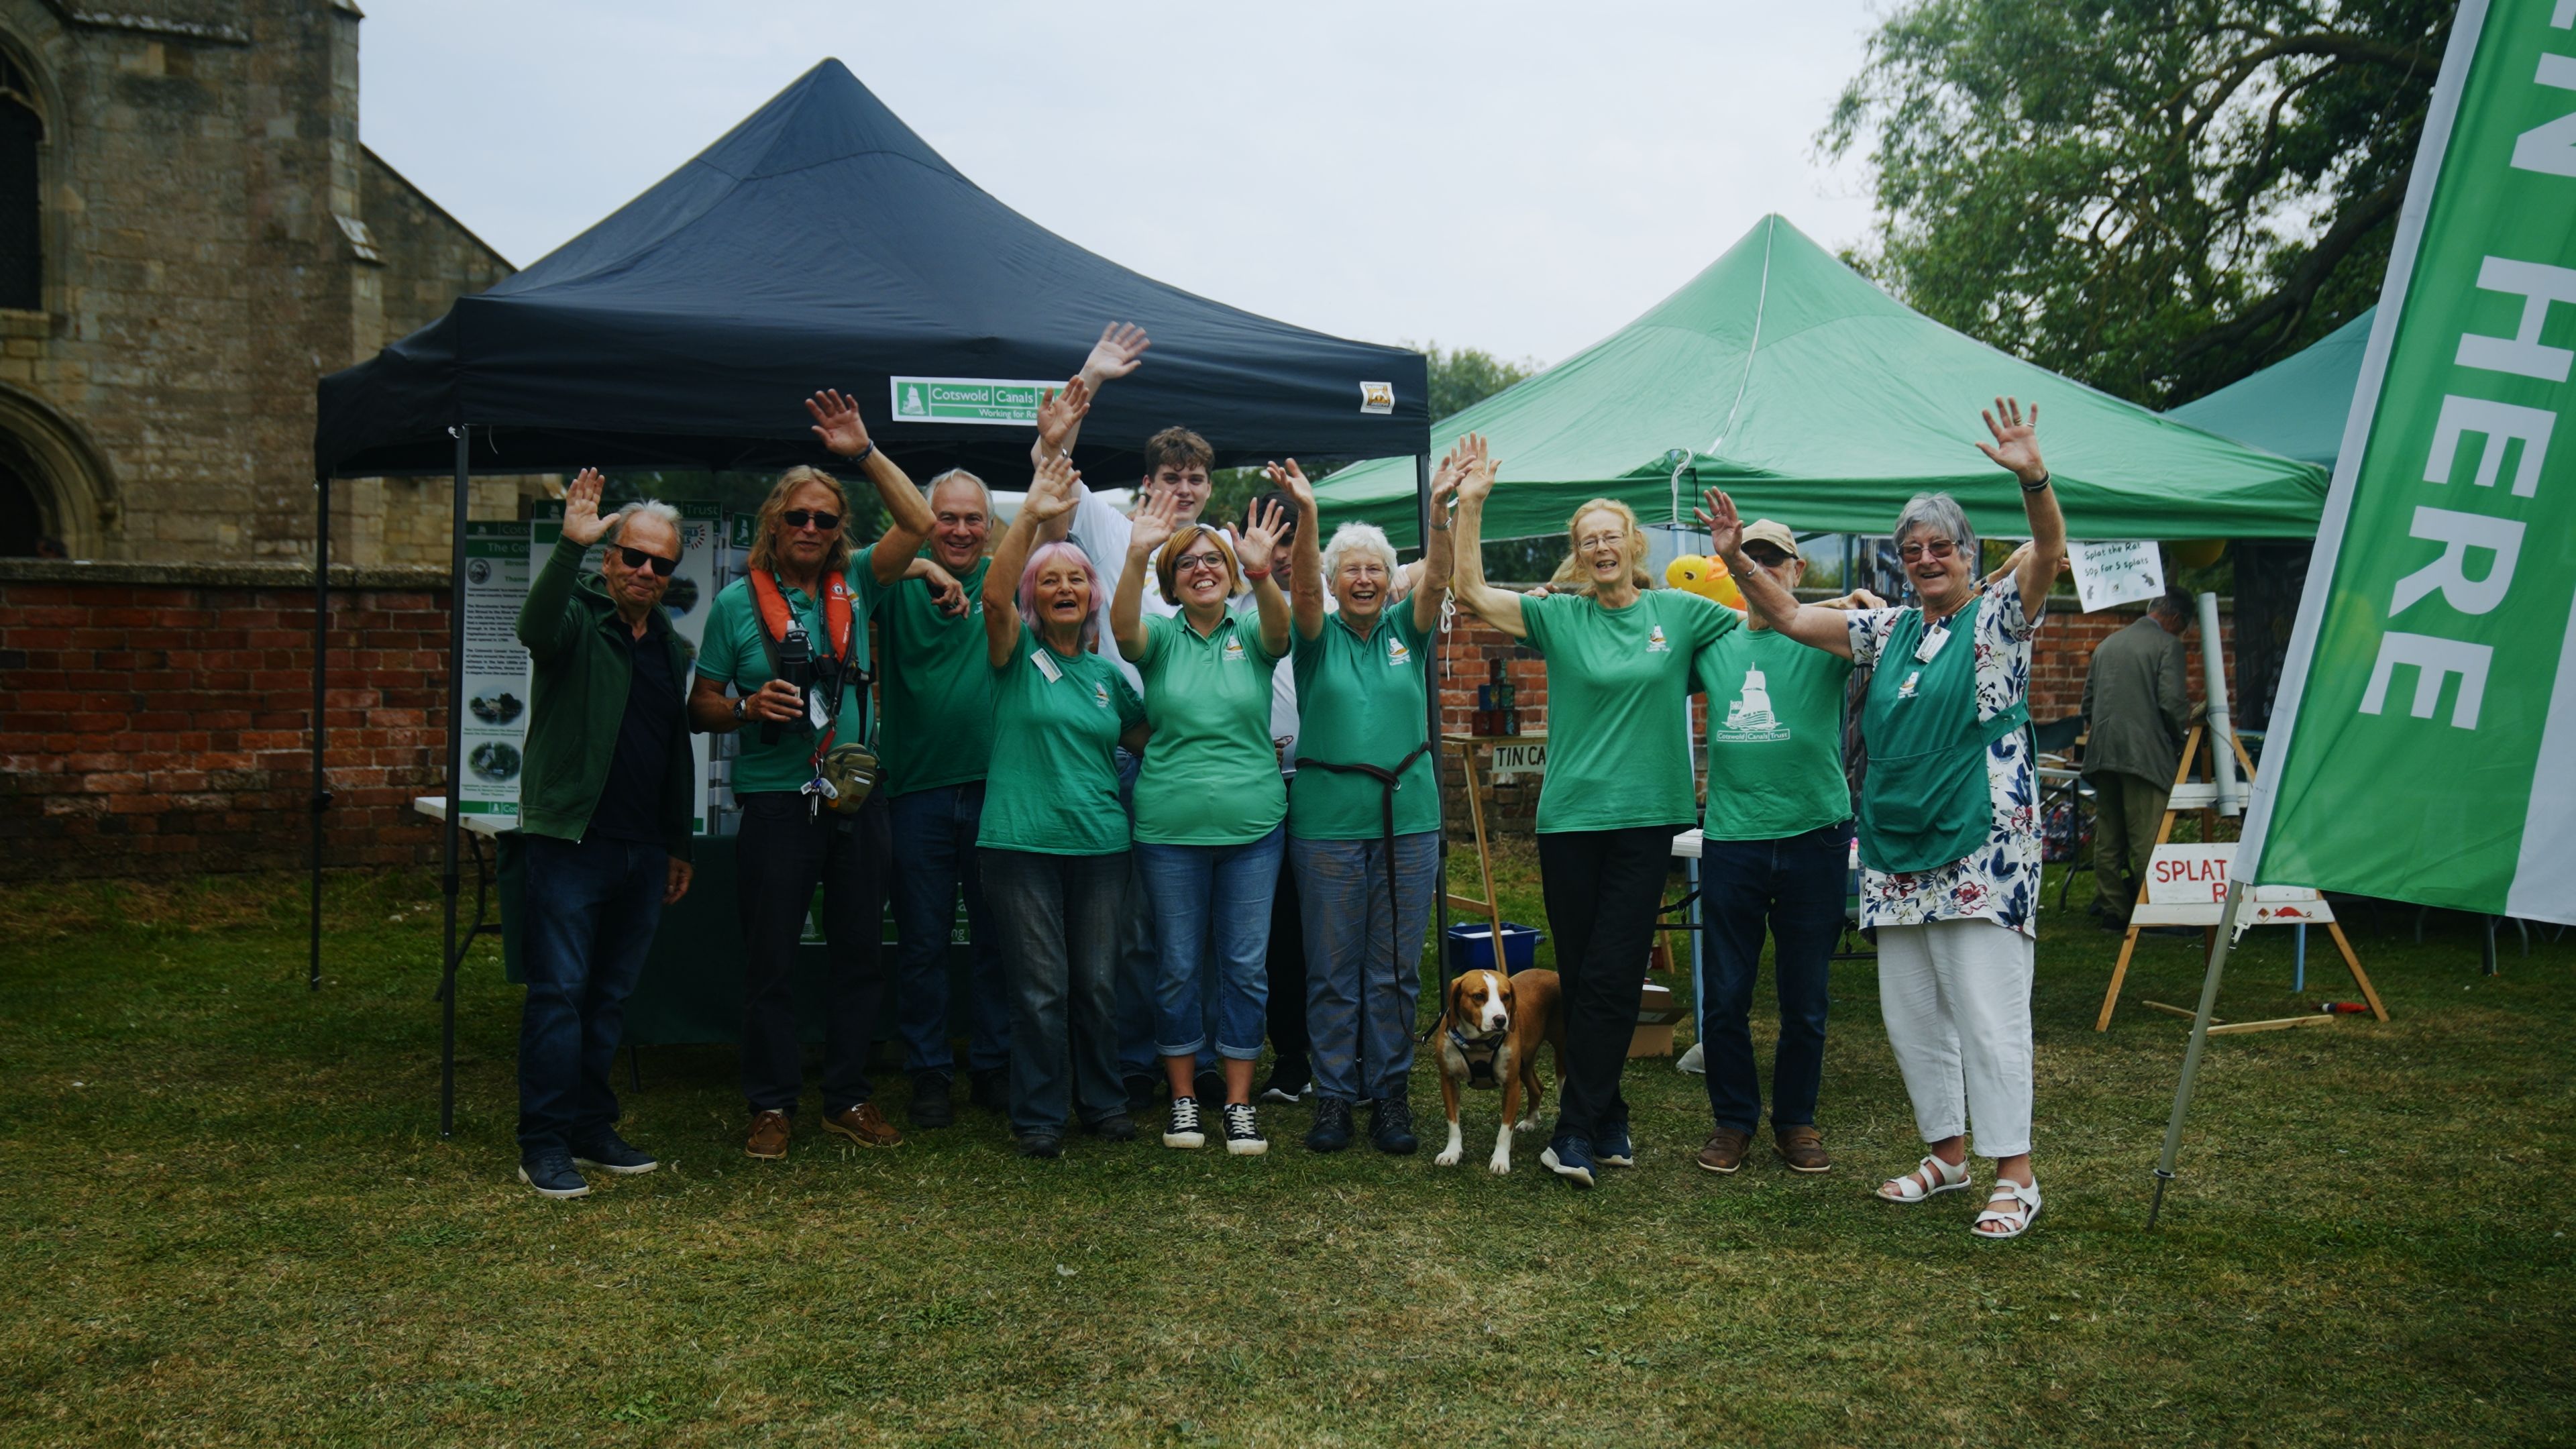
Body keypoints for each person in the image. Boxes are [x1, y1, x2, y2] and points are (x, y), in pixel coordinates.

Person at [1702, 395, 2065, 1241]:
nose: (1928, 559)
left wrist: (2033, 477)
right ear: (1899, 565)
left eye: (1942, 547)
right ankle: (1946, 1154)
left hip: (1982, 843)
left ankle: (2016, 1171)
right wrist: (1734, 561)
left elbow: (2048, 548)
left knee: (1987, 1009)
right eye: (1913, 551)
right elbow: (1792, 617)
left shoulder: (2002, 612)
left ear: (1969, 555)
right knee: (1911, 1012)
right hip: (1898, 845)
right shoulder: (1887, 628)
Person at [1447, 435, 1742, 1189]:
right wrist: (1471, 505)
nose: (1602, 548)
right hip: (1570, 820)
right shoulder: (1558, 618)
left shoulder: (1679, 612)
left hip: (1646, 820)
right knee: (1580, 978)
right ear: (1576, 556)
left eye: (1612, 537)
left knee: (1613, 973)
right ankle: (1608, 1118)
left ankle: (1573, 1130)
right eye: (1588, 542)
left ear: (1633, 545)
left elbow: (1767, 619)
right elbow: (1473, 591)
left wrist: (1852, 604)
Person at [686, 390, 934, 1162]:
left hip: (857, 796)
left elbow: (920, 524)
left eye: (825, 519)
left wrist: (861, 453)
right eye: (798, 517)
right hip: (776, 800)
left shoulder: (860, 578)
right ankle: (771, 1103)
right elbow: (699, 707)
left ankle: (848, 1096)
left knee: (861, 950)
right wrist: (749, 706)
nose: (812, 530)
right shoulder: (735, 604)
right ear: (773, 523)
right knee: (772, 957)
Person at [508, 470, 696, 1199]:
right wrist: (569, 546)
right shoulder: (577, 620)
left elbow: (672, 747)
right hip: (571, 843)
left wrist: (676, 843)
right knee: (558, 992)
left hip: (643, 850)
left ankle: (590, 1127)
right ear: (611, 558)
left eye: (662, 564)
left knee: (608, 997)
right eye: (634, 557)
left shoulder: (670, 648)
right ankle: (543, 1142)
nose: (647, 572)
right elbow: (532, 630)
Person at [1273, 449, 1458, 1154]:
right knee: (1331, 969)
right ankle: (1333, 1097)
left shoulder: (1406, 634)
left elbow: (1438, 577)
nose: (1363, 577)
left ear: (1388, 581)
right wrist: (1309, 514)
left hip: (1407, 821)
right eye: (1350, 567)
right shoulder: (1314, 641)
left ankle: (1389, 1095)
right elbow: (1299, 588)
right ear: (1332, 578)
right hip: (1325, 826)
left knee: (1394, 968)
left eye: (1375, 567)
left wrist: (1438, 513)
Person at [1688, 521, 1882, 1178]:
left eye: (1775, 560)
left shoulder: (1825, 636)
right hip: (1735, 837)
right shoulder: (1713, 641)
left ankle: (1796, 1121)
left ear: (1799, 571)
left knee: (1806, 997)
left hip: (1814, 835)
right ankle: (1734, 1120)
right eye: (1750, 560)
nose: (1763, 570)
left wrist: (1858, 605)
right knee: (1724, 995)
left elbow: (1894, 633)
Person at [976, 446, 1151, 1157]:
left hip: (1103, 849)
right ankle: (1040, 1116)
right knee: (1041, 991)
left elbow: (1154, 744)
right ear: (1033, 594)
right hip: (1020, 846)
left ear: (1095, 594)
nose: (1065, 588)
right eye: (1050, 580)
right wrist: (1037, 519)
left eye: (1077, 577)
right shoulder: (1012, 653)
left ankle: (1103, 1103)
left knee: (1098, 987)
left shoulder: (1113, 680)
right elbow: (992, 595)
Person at [1112, 485, 1293, 1155]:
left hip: (1254, 832)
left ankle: (1239, 1104)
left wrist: (1262, 571)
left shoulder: (1251, 629)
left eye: (1213, 559)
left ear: (1230, 571)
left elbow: (1282, 630)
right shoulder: (1158, 638)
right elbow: (1123, 628)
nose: (1202, 569)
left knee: (1245, 967)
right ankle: (1184, 1100)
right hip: (1169, 834)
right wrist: (1135, 555)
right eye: (1186, 562)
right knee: (1179, 967)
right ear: (1171, 579)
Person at [877, 463, 1014, 1128]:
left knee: (997, 939)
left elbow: (1050, 533)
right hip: (916, 792)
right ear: (926, 523)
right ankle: (929, 1074)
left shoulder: (999, 577)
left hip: (997, 787)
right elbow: (843, 573)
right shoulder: (899, 579)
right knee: (923, 944)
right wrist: (926, 569)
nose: (960, 530)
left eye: (972, 519)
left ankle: (992, 1066)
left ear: (990, 528)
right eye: (946, 518)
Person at [2080, 586, 2194, 928]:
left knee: (2109, 838)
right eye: (2184, 627)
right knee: (2149, 839)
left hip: (2102, 752)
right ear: (2174, 618)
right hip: (2144, 756)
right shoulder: (2167, 645)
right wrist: (2183, 738)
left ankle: (2113, 908)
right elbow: (2171, 704)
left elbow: (2087, 704)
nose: (2182, 634)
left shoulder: (2108, 643)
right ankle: (2155, 913)